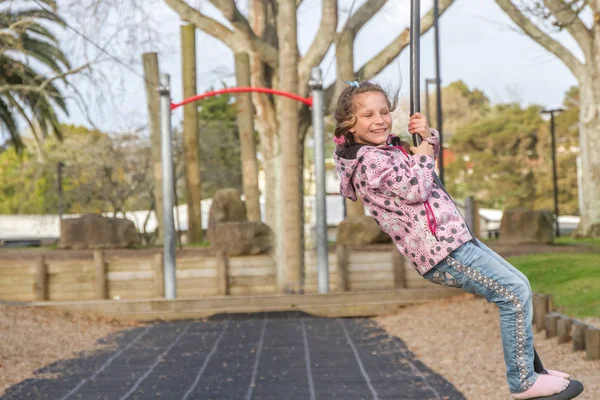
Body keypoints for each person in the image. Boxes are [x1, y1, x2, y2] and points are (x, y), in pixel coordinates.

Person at [332, 80, 583, 399]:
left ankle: (535, 372)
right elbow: (414, 189)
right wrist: (422, 156)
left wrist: (426, 135)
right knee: (513, 293)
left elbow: (421, 159)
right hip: (439, 249)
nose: (380, 120)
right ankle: (523, 381)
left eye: (384, 111)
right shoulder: (369, 161)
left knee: (518, 284)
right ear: (348, 124)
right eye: (367, 115)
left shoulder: (383, 149)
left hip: (453, 237)